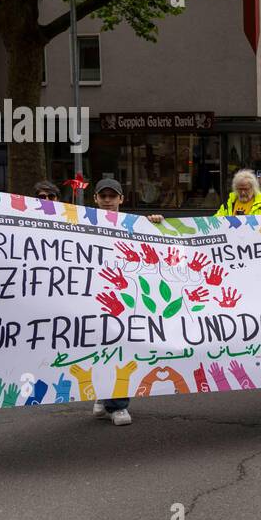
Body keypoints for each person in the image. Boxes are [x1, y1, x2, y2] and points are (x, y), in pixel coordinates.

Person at [91, 178, 164, 425]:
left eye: (113, 196)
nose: (108, 201)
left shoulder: (135, 225)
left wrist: (155, 223)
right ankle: (103, 395)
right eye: (104, 196)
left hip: (125, 299)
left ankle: (118, 404)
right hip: (93, 296)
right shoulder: (81, 222)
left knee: (120, 346)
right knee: (98, 348)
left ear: (122, 199)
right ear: (96, 199)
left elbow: (155, 242)